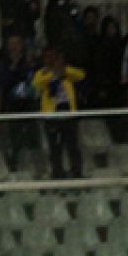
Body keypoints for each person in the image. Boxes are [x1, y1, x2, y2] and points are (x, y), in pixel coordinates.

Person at [32, 46, 85, 180]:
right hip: (52, 115)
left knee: (72, 146)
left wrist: (62, 70)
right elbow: (37, 84)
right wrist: (54, 73)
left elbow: (80, 75)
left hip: (68, 113)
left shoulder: (66, 72)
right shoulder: (41, 73)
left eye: (53, 56)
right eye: (48, 57)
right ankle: (57, 173)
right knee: (55, 147)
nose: (51, 59)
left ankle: (77, 173)